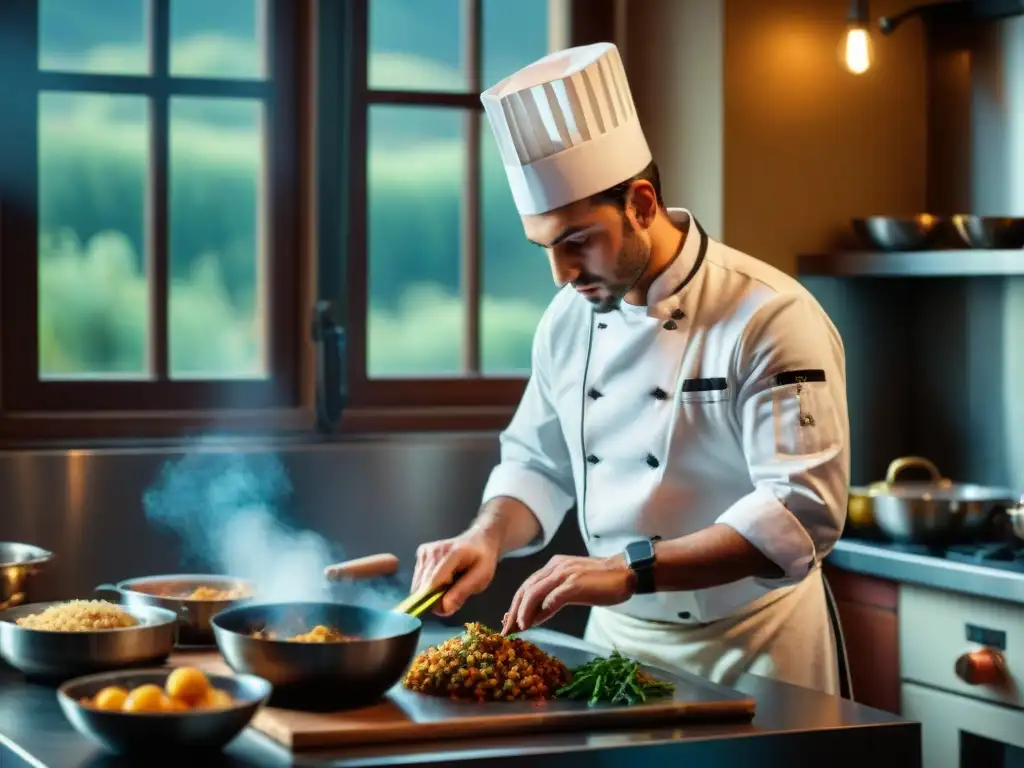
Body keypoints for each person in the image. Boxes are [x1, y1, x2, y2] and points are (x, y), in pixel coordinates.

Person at [411, 42, 850, 695]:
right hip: (614, 647)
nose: (561, 274)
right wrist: (487, 538)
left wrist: (630, 567)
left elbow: (801, 511)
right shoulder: (567, 319)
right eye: (545, 249)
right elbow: (539, 462)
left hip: (756, 647)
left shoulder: (770, 317)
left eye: (577, 242)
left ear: (641, 204)